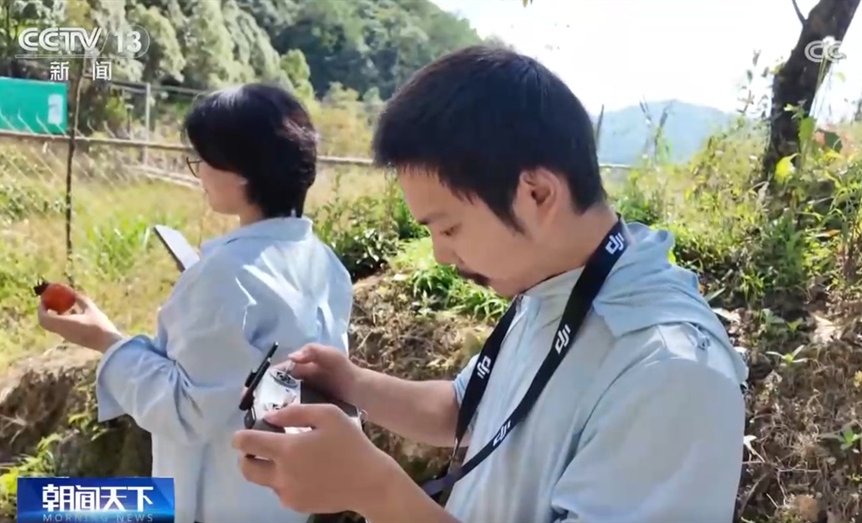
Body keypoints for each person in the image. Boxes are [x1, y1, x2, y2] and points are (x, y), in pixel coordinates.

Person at [231, 46, 749, 523]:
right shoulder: (556, 284)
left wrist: (376, 492)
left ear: (537, 194)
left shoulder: (671, 373)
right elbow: (464, 409)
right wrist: (350, 382)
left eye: (449, 228)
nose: (440, 254)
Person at [37, 83, 354, 523]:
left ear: (240, 171)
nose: (198, 172)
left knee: (53, 507)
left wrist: (106, 341)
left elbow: (185, 409)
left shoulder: (225, 273)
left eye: (203, 159)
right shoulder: (325, 264)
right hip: (277, 501)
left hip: (216, 497)